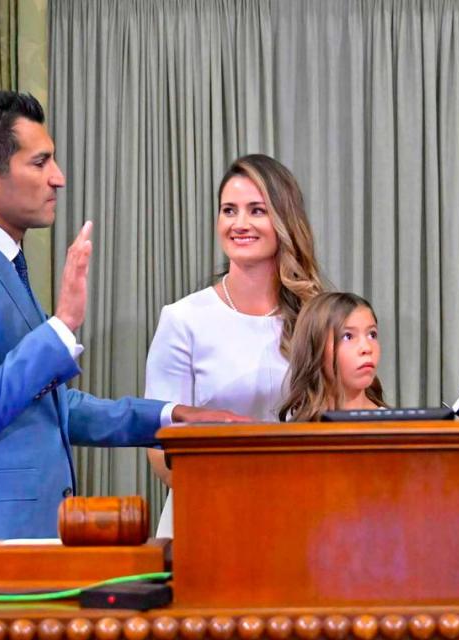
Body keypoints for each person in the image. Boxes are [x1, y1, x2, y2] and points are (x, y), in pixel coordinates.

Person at [0, 91, 240, 548]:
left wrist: (172, 417)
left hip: (28, 544)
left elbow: (47, 408)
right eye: (40, 163)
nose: (58, 178)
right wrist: (61, 327)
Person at [144, 153, 325, 536]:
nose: (240, 224)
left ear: (284, 220)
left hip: (300, 521)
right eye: (229, 210)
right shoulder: (183, 319)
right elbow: (159, 447)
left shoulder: (317, 316)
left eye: (256, 210)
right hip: (207, 521)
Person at [279, 292, 386, 422]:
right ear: (316, 348)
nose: (367, 348)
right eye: (348, 336)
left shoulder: (396, 429)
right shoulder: (293, 434)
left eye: (372, 335)